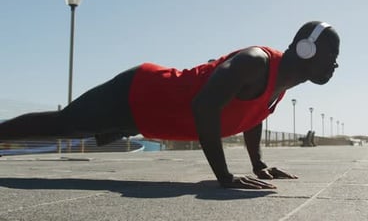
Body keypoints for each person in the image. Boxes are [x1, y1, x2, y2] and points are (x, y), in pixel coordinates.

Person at [0, 21, 340, 189]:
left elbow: (254, 115)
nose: (335, 64)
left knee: (84, 129)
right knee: (65, 124)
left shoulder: (279, 84)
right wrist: (224, 176)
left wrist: (259, 165)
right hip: (138, 93)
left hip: (150, 117)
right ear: (306, 49)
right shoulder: (255, 62)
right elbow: (205, 106)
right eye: (332, 55)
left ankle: (114, 130)